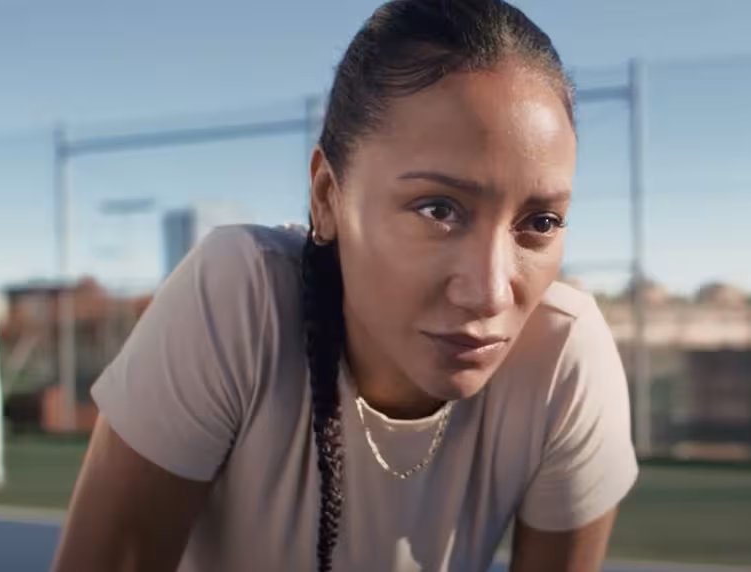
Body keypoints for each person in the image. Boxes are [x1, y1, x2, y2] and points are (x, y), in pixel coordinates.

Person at [52, 0, 639, 570]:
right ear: (327, 197)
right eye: (438, 209)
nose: (489, 292)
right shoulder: (238, 296)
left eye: (540, 223)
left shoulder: (565, 359)